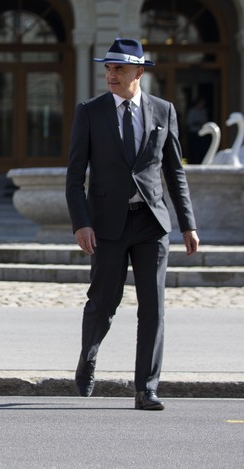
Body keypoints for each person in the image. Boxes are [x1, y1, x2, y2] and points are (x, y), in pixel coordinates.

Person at [65, 38, 199, 411]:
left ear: (138, 72)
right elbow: (75, 176)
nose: (111, 75)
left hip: (152, 223)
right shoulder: (90, 112)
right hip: (106, 225)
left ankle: (146, 388)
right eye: (108, 68)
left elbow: (175, 171)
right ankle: (88, 356)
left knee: (153, 308)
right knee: (102, 303)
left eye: (119, 69)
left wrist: (187, 223)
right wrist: (82, 223)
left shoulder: (163, 110)